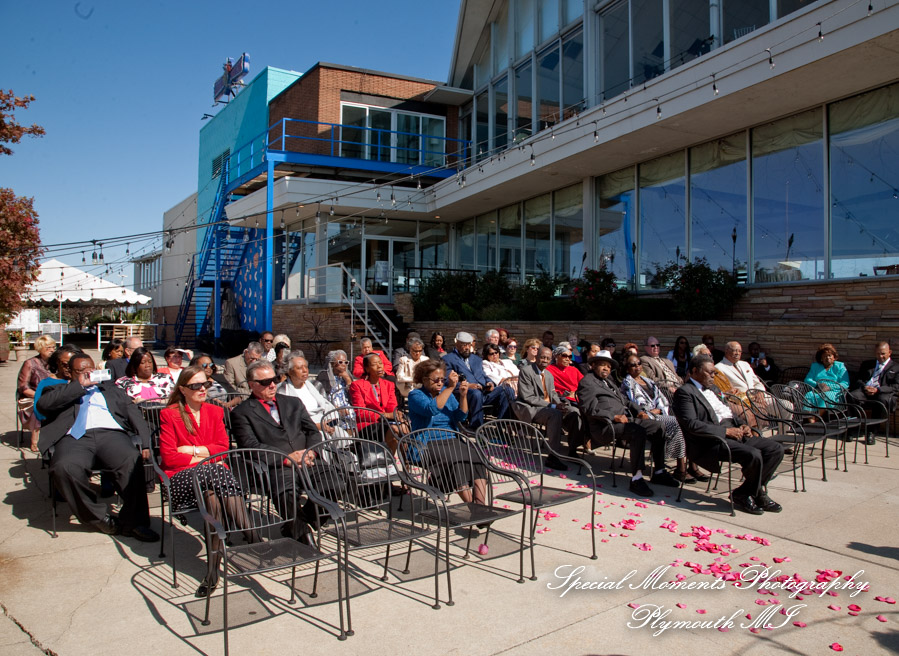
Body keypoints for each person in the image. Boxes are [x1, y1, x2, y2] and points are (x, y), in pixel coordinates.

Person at [35, 353, 158, 541]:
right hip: (75, 438)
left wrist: (146, 442)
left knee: (131, 461)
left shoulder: (110, 389)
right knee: (63, 468)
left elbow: (134, 414)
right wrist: (78, 386)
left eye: (91, 370)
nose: (88, 374)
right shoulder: (57, 388)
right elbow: (43, 406)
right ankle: (100, 518)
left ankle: (135, 523)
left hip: (111, 434)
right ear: (70, 372)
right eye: (81, 371)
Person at [159, 366, 256, 597]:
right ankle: (251, 534)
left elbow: (223, 449)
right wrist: (206, 456)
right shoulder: (170, 414)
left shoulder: (215, 412)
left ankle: (212, 572)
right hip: (180, 480)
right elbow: (170, 457)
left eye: (206, 384)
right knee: (214, 471)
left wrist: (192, 451)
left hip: (211, 482)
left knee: (212, 500)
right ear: (182, 389)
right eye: (195, 386)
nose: (202, 389)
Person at [230, 360, 340, 542]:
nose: (272, 384)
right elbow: (249, 446)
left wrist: (310, 452)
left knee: (336, 484)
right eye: (265, 382)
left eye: (274, 379)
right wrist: (285, 458)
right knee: (285, 494)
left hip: (308, 458)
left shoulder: (293, 403)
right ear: (252, 385)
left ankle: (303, 520)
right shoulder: (242, 412)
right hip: (278, 465)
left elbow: (312, 431)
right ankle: (300, 533)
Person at [673, 354, 784, 515]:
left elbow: (729, 413)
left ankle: (747, 492)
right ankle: (756, 493)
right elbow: (692, 424)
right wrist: (726, 431)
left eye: (714, 372)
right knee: (753, 455)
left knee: (775, 449)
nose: (713, 376)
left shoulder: (715, 389)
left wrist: (742, 425)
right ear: (695, 371)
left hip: (734, 433)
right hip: (711, 441)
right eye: (710, 372)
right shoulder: (685, 392)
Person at [577, 350, 675, 497]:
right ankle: (637, 478)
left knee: (658, 426)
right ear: (593, 365)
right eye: (602, 365)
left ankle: (659, 471)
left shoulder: (609, 382)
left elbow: (626, 400)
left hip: (625, 420)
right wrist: (613, 416)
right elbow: (589, 408)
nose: (606, 369)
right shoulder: (587, 382)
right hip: (604, 426)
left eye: (609, 366)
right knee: (637, 431)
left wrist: (640, 411)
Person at [406, 360, 487, 505]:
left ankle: (480, 505)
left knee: (477, 458)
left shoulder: (447, 394)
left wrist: (462, 396)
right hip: (427, 442)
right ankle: (472, 508)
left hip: (452, 439)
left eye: (442, 380)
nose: (440, 383)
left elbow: (461, 416)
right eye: (436, 380)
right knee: (455, 462)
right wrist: (449, 387)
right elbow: (431, 409)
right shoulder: (415, 395)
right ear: (424, 380)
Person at [620, 355, 701, 484]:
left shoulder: (649, 381)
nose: (637, 367)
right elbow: (635, 404)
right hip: (644, 417)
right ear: (627, 369)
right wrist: (651, 412)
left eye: (639, 363)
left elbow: (661, 399)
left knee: (685, 424)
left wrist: (659, 410)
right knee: (675, 423)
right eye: (633, 365)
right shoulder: (627, 384)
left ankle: (691, 464)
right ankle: (680, 468)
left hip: (659, 413)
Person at [516, 346, 584, 470]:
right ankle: (553, 457)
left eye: (548, 358)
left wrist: (560, 404)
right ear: (536, 357)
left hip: (549, 406)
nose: (545, 360)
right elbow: (528, 397)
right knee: (555, 414)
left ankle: (572, 450)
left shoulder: (548, 374)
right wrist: (552, 406)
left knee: (574, 412)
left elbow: (552, 394)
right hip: (532, 408)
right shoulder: (526, 371)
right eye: (542, 357)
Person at [443, 332, 512, 429]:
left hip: (484, 391)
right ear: (457, 344)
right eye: (464, 345)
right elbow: (447, 381)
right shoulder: (448, 359)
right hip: (465, 393)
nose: (467, 347)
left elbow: (483, 375)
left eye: (469, 344)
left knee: (507, 389)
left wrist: (489, 383)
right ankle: (476, 427)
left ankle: (501, 425)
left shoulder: (476, 359)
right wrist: (468, 385)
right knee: (476, 393)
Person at [278, 353, 343, 440]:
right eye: (299, 368)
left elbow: (326, 405)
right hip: (303, 430)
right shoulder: (282, 391)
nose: (305, 370)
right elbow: (287, 419)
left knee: (343, 436)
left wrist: (329, 424)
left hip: (324, 422)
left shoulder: (316, 385)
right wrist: (316, 426)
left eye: (306, 367)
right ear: (289, 371)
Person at [349, 352, 408, 449]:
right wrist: (383, 415)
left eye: (380, 363)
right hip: (368, 424)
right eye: (374, 364)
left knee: (404, 426)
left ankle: (405, 460)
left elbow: (392, 407)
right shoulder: (357, 385)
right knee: (394, 429)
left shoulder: (388, 385)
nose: (379, 367)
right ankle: (393, 460)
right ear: (367, 369)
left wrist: (396, 415)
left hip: (387, 423)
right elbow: (360, 412)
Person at [849, 342, 899, 445]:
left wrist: (878, 390)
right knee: (852, 396)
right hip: (865, 391)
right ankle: (853, 428)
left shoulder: (896, 367)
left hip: (882, 393)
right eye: (877, 354)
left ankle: (871, 432)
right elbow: (858, 380)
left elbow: (896, 386)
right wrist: (865, 387)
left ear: (889, 352)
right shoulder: (867, 364)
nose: (880, 356)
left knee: (881, 400)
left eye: (883, 353)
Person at [17, 335, 56, 451]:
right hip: (31, 397)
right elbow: (23, 387)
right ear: (40, 348)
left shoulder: (56, 363)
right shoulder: (30, 363)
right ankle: (35, 441)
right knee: (40, 405)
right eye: (48, 348)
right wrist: (39, 395)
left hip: (53, 396)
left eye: (53, 347)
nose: (52, 350)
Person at [804, 343, 850, 411]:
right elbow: (807, 379)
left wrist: (830, 387)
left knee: (825, 397)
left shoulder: (840, 367)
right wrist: (818, 385)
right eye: (825, 356)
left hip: (834, 392)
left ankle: (817, 419)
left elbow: (845, 383)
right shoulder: (815, 366)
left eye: (829, 355)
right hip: (818, 390)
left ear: (834, 357)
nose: (828, 358)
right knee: (809, 395)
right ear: (821, 358)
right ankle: (810, 419)